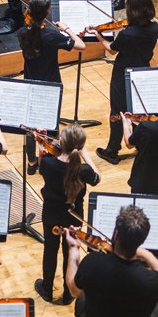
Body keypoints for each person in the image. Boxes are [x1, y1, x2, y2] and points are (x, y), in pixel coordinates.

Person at [66, 205, 158, 317]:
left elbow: (73, 290)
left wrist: (73, 249)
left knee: (81, 301)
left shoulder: (92, 263)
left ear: (116, 235)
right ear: (142, 241)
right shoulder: (152, 280)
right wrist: (148, 256)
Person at [94, 0, 158, 164]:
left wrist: (98, 35)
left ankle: (112, 151)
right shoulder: (156, 27)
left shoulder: (127, 34)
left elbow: (111, 49)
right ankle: (140, 141)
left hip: (123, 74)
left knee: (118, 112)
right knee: (137, 109)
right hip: (143, 73)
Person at [19, 0, 87, 168]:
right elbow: (81, 45)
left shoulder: (23, 33)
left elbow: (34, 31)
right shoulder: (52, 35)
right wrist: (66, 29)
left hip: (31, 84)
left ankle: (32, 161)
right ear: (47, 13)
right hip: (51, 85)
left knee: (30, 125)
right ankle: (52, 158)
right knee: (50, 124)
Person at [35, 124, 100, 305]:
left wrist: (41, 148)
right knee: (69, 252)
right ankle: (68, 293)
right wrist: (85, 154)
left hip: (51, 215)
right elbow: (97, 177)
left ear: (61, 141)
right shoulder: (84, 171)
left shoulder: (49, 163)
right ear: (79, 147)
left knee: (50, 250)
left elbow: (42, 169)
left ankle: (46, 289)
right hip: (73, 218)